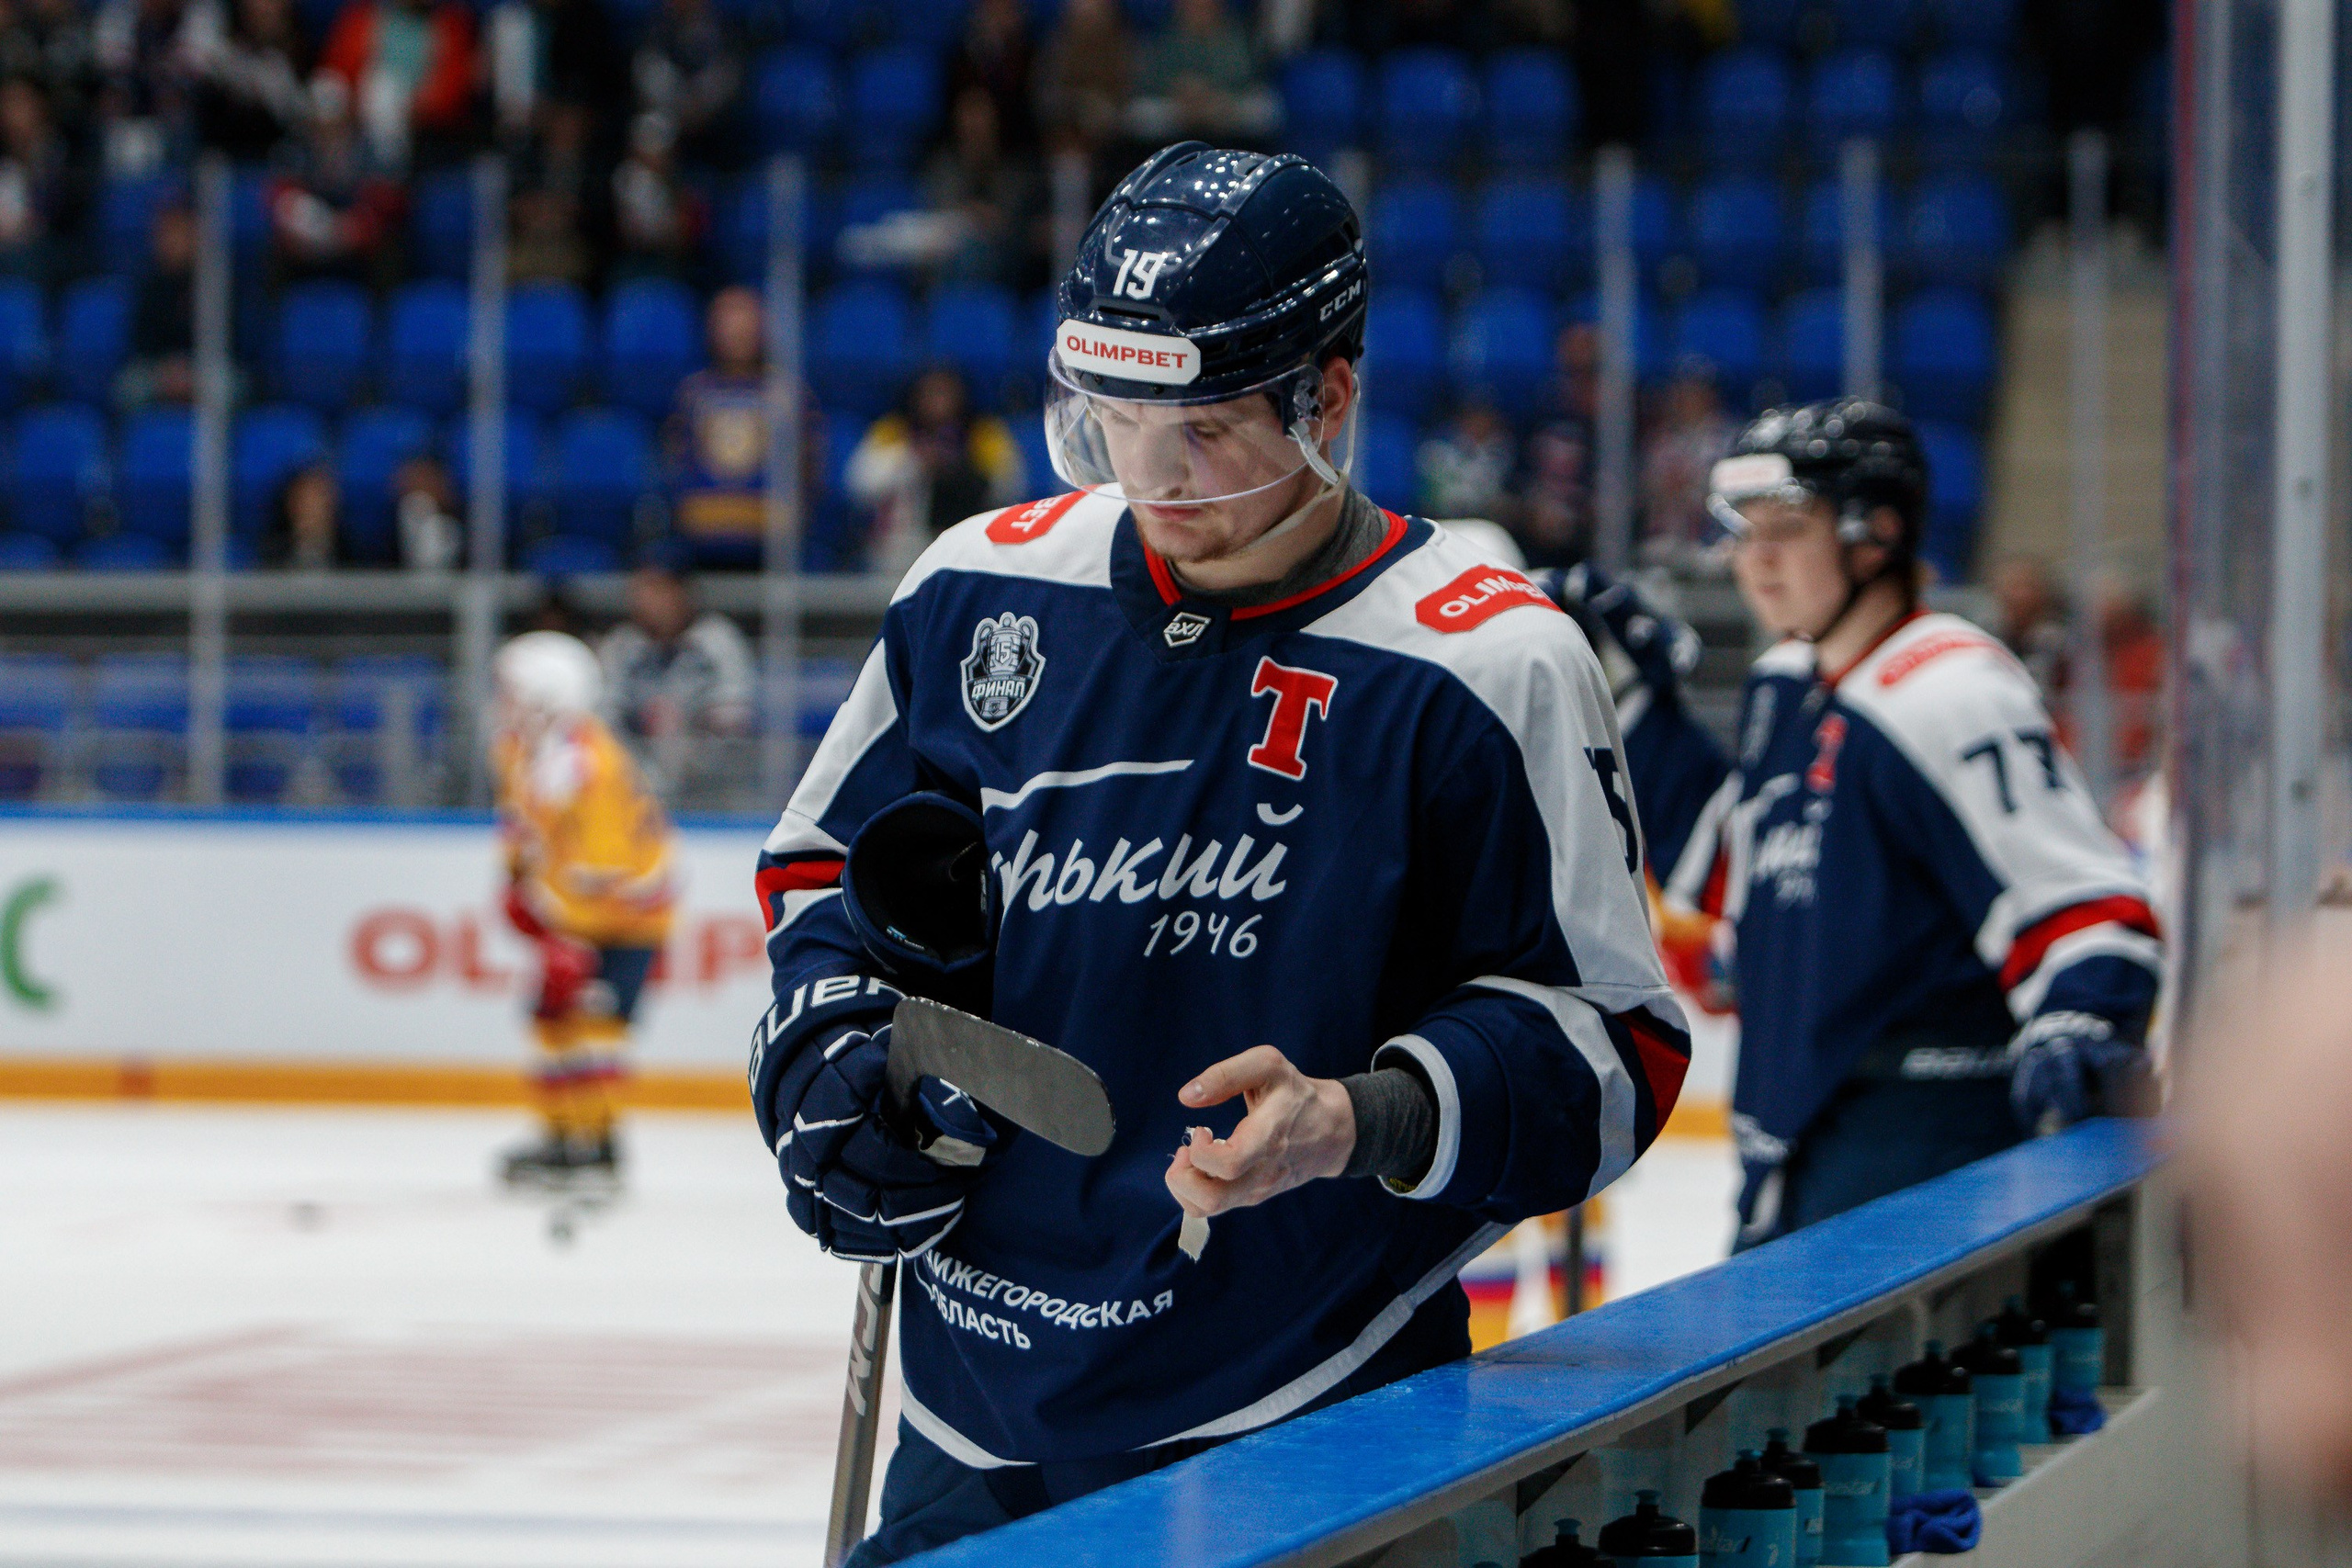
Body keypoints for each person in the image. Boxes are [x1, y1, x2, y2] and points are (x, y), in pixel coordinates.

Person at [750, 141, 1689, 1564]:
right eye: (1119, 421)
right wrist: (829, 1051)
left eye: (1212, 431)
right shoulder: (978, 589)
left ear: (1332, 396)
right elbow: (827, 876)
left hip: (1312, 1404)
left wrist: (1361, 1116)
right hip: (972, 1403)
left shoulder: (1490, 663)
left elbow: (1617, 1052)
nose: (1158, 478)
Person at [1555, 400, 2163, 1250]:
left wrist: (2083, 1017)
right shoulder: (1787, 683)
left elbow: (2089, 909)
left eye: (1787, 531)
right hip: (1797, 1135)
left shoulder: (1952, 690)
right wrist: (1636, 710)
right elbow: (1744, 871)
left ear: (1874, 536)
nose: (1752, 561)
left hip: (1924, 1143)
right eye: (1744, 532)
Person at [492, 630, 676, 1185]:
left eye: (514, 692)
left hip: (621, 922)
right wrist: (519, 880)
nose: (503, 704)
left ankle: (597, 1146)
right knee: (550, 1022)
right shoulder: (524, 752)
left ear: (549, 697)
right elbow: (526, 832)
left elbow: (605, 872)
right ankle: (561, 1135)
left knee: (597, 1028)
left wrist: (562, 930)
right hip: (579, 917)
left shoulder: (586, 766)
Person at [844, 364, 1023, 577]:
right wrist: (912, 460)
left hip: (968, 545)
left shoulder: (984, 433)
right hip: (899, 550)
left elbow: (1010, 485)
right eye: (931, 393)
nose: (938, 402)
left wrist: (960, 468)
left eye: (945, 393)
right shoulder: (892, 430)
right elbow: (858, 482)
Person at [596, 560, 753, 799]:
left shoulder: (718, 639)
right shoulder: (621, 645)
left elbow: (734, 715)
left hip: (712, 790)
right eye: (638, 592)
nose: (644, 601)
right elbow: (606, 716)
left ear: (681, 594)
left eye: (657, 591)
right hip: (634, 787)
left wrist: (687, 743)